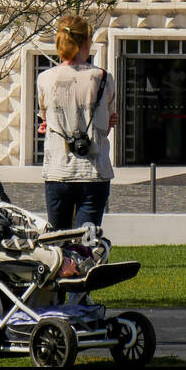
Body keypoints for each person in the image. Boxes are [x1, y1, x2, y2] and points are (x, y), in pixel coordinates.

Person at [37, 14, 118, 230]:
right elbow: (105, 127)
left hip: (57, 170)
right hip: (93, 172)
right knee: (87, 243)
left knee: (58, 241)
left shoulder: (45, 78)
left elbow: (46, 120)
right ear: (86, 41)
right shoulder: (102, 78)